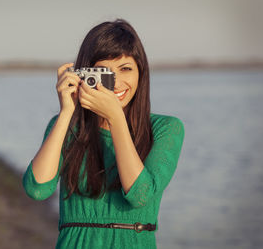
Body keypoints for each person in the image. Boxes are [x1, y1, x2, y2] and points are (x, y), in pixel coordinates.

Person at [22, 19, 185, 249]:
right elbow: (37, 189)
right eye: (103, 72)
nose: (116, 82)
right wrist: (67, 112)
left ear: (141, 72)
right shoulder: (66, 126)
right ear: (84, 73)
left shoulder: (165, 128)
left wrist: (115, 118)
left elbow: (139, 195)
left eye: (125, 68)